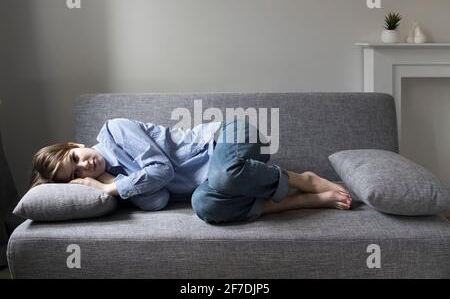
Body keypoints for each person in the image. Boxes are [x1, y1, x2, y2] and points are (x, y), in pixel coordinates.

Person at [29, 118, 352, 224]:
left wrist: (111, 189)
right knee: (204, 207)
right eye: (74, 175)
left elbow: (161, 172)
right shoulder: (114, 179)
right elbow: (156, 201)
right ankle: (301, 201)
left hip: (227, 137)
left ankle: (302, 179)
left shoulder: (114, 130)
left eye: (74, 158)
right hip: (216, 179)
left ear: (74, 144)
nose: (84, 165)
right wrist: (111, 181)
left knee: (224, 175)